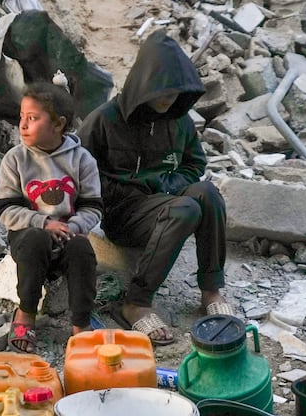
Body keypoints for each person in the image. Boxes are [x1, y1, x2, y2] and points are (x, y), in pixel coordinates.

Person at [79, 31, 234, 346]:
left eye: (177, 91)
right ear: (144, 83)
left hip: (163, 202)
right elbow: (78, 169)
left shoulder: (179, 120)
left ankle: (211, 289)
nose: (170, 98)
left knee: (207, 193)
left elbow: (194, 165)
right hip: (123, 214)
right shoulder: (105, 120)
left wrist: (165, 183)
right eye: (163, 89)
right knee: (187, 207)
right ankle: (136, 302)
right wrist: (122, 189)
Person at [0, 82, 102, 352]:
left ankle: (81, 324)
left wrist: (73, 227)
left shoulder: (82, 160)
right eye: (21, 117)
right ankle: (27, 312)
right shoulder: (15, 159)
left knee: (82, 250)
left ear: (57, 124)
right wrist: (43, 223)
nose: (23, 125)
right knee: (34, 241)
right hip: (29, 233)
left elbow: (93, 208)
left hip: (68, 233)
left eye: (32, 118)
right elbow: (6, 210)